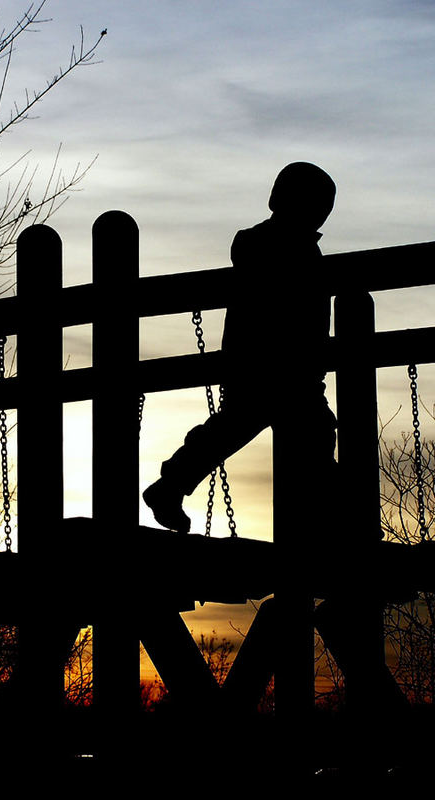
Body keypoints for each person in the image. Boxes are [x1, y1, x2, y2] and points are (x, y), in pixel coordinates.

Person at [143, 161, 338, 533]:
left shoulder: (273, 247)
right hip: (274, 367)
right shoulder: (275, 247)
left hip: (278, 368)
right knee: (300, 440)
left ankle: (170, 485)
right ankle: (347, 527)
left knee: (250, 431)